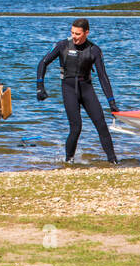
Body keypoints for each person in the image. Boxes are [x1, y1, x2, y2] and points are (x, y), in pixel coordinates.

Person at [36, 18, 119, 164]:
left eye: (78, 34)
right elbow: (43, 63)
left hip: (87, 89)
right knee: (76, 127)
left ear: (86, 32)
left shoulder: (94, 50)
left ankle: (113, 161)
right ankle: (69, 160)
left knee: (101, 125)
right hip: (69, 89)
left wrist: (111, 101)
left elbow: (103, 76)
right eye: (72, 33)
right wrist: (40, 86)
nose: (74, 36)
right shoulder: (62, 45)